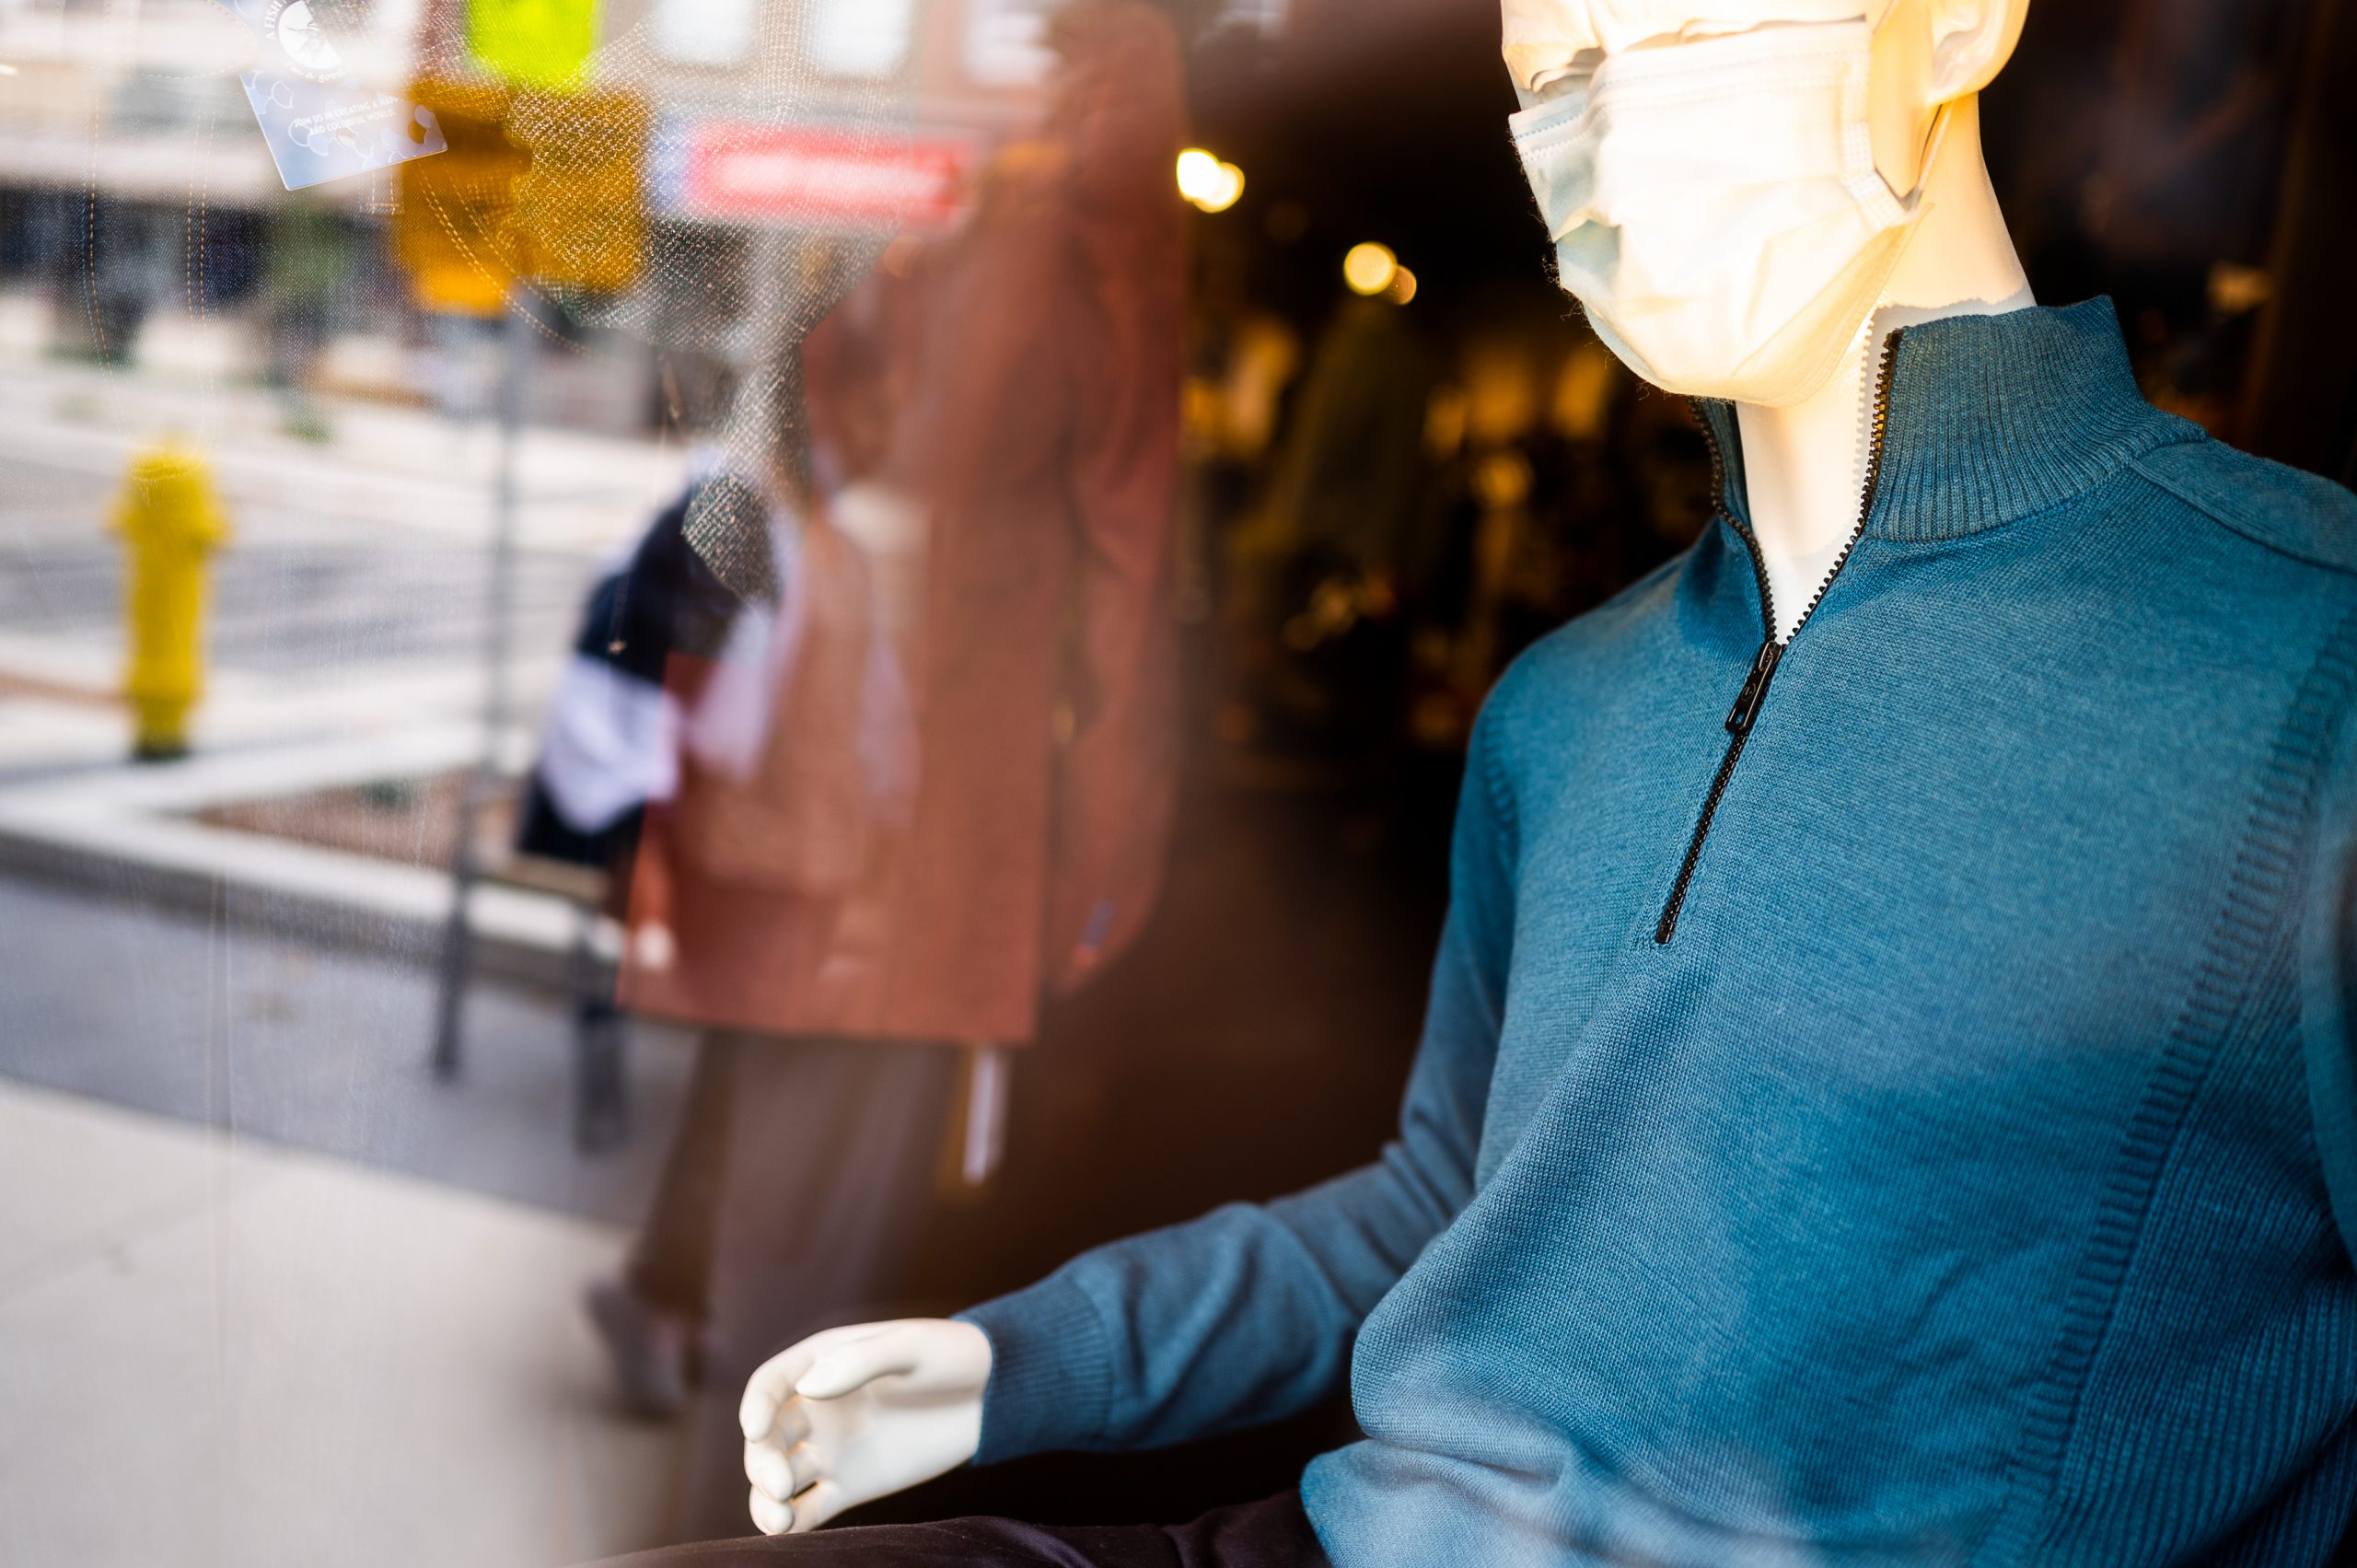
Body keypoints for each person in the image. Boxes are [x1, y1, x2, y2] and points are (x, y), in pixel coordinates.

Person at [594, 0, 2357, 1562]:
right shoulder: (1563, 711)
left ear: (1962, 21)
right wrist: (1019, 1363)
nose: (1624, 112)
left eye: (1698, 31)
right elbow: (1442, 1201)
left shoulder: (2303, 665)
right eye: (1562, 65)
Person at [586, 0, 1191, 1537]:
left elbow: (797, 426)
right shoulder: (1087, 266)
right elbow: (1124, 582)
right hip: (929, 807)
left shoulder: (952, 234)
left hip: (830, 768)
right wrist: (1109, 855)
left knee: (785, 1113)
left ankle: (678, 1331)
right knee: (826, 1233)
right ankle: (738, 1482)